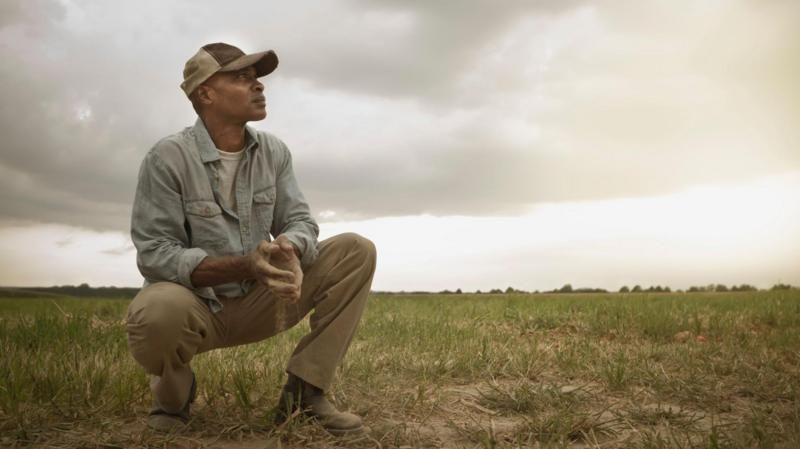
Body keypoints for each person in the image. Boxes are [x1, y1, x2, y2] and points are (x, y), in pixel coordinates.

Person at [126, 42, 377, 436]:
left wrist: (290, 248)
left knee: (355, 250)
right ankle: (173, 400)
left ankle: (304, 394)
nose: (258, 86)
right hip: (198, 307)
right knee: (156, 310)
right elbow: (156, 255)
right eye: (242, 78)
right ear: (205, 93)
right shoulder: (167, 158)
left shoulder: (273, 152)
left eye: (257, 79)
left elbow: (298, 219)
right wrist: (245, 264)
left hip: (262, 299)